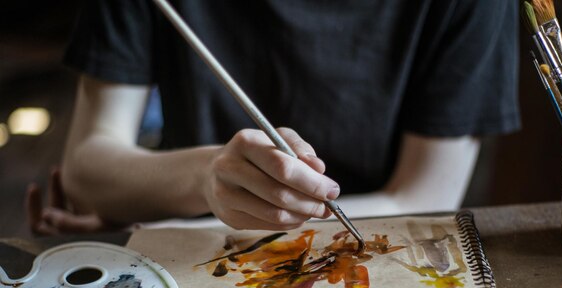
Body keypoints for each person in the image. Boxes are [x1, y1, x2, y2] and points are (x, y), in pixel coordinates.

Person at [27, 0, 520, 235]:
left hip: (368, 265)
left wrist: (151, 234)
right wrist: (207, 178)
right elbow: (88, 165)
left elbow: (425, 197)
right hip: (189, 275)